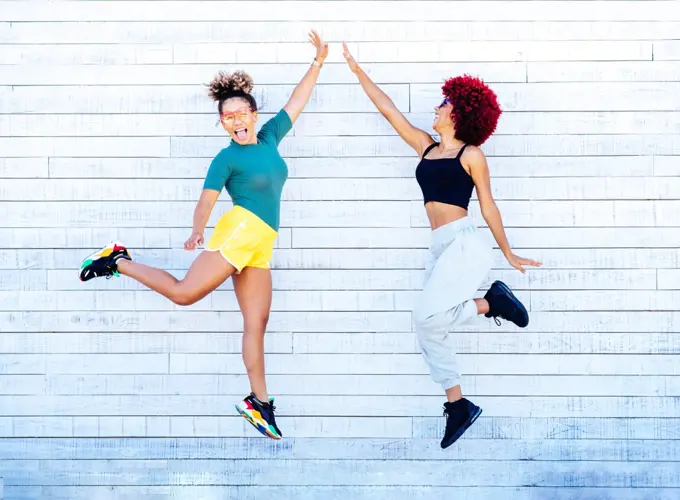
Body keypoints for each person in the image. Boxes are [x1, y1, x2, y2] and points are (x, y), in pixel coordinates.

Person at [78, 30, 330, 441]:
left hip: (261, 242)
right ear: (223, 123)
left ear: (253, 114)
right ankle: (116, 260)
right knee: (184, 293)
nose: (235, 121)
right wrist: (198, 231)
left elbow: (296, 102)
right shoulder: (226, 157)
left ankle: (259, 403)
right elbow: (206, 201)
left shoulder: (269, 138)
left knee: (256, 322)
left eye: (240, 114)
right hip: (241, 233)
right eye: (227, 117)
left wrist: (318, 61)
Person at [342, 42, 541, 449]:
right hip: (440, 246)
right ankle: (462, 394)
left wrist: (507, 252)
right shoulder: (426, 147)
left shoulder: (472, 155)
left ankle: (488, 316)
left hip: (466, 244)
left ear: (460, 112)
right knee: (430, 324)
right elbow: (389, 110)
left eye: (443, 103)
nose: (436, 107)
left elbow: (488, 206)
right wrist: (354, 67)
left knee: (424, 318)